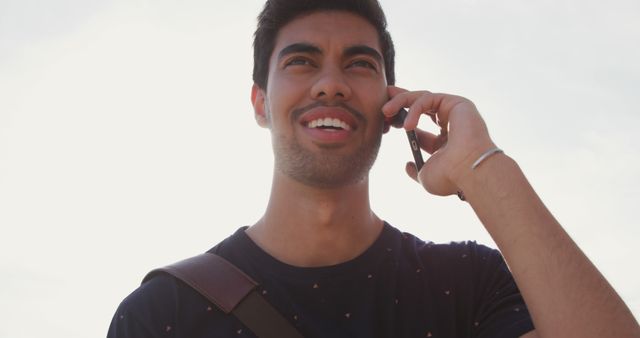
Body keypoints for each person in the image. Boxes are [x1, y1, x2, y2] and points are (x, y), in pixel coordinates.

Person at [107, 0, 639, 337]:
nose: (331, 83)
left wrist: (484, 169)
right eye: (301, 61)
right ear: (260, 103)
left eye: (360, 64)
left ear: (392, 106)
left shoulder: (467, 287)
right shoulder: (161, 314)